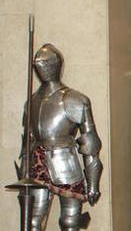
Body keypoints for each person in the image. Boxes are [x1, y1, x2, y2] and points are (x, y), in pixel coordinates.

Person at [20, 44, 103, 231]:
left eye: (48, 63)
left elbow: (90, 144)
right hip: (37, 164)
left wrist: (93, 184)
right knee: (33, 223)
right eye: (39, 64)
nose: (43, 68)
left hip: (66, 162)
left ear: (58, 65)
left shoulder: (75, 99)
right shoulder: (31, 102)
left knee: (70, 222)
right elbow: (27, 142)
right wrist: (25, 173)